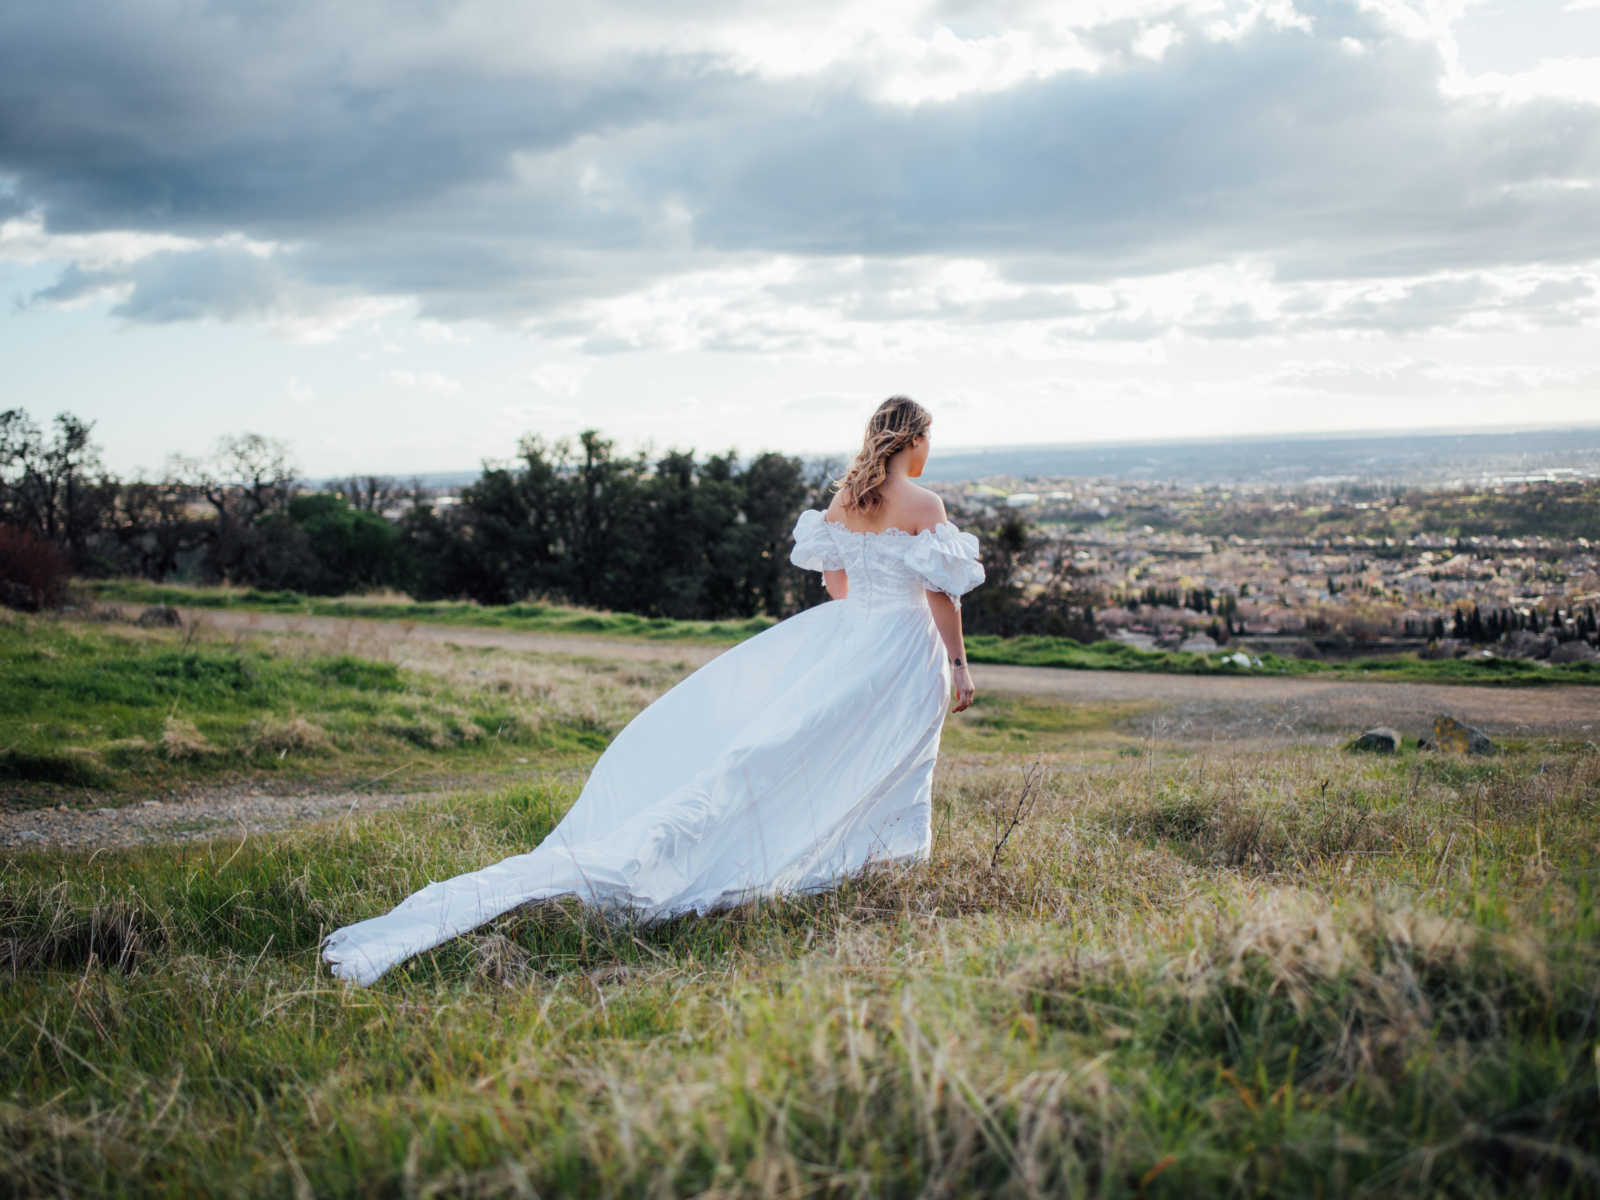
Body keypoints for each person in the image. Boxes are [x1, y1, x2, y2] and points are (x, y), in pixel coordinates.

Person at [320, 396, 984, 986]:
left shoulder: (845, 503)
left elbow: (839, 588)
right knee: (895, 753)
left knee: (814, 750)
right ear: (915, 439)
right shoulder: (924, 506)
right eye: (929, 439)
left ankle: (858, 855)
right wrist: (956, 663)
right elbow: (939, 594)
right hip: (901, 648)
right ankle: (887, 858)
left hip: (850, 638)